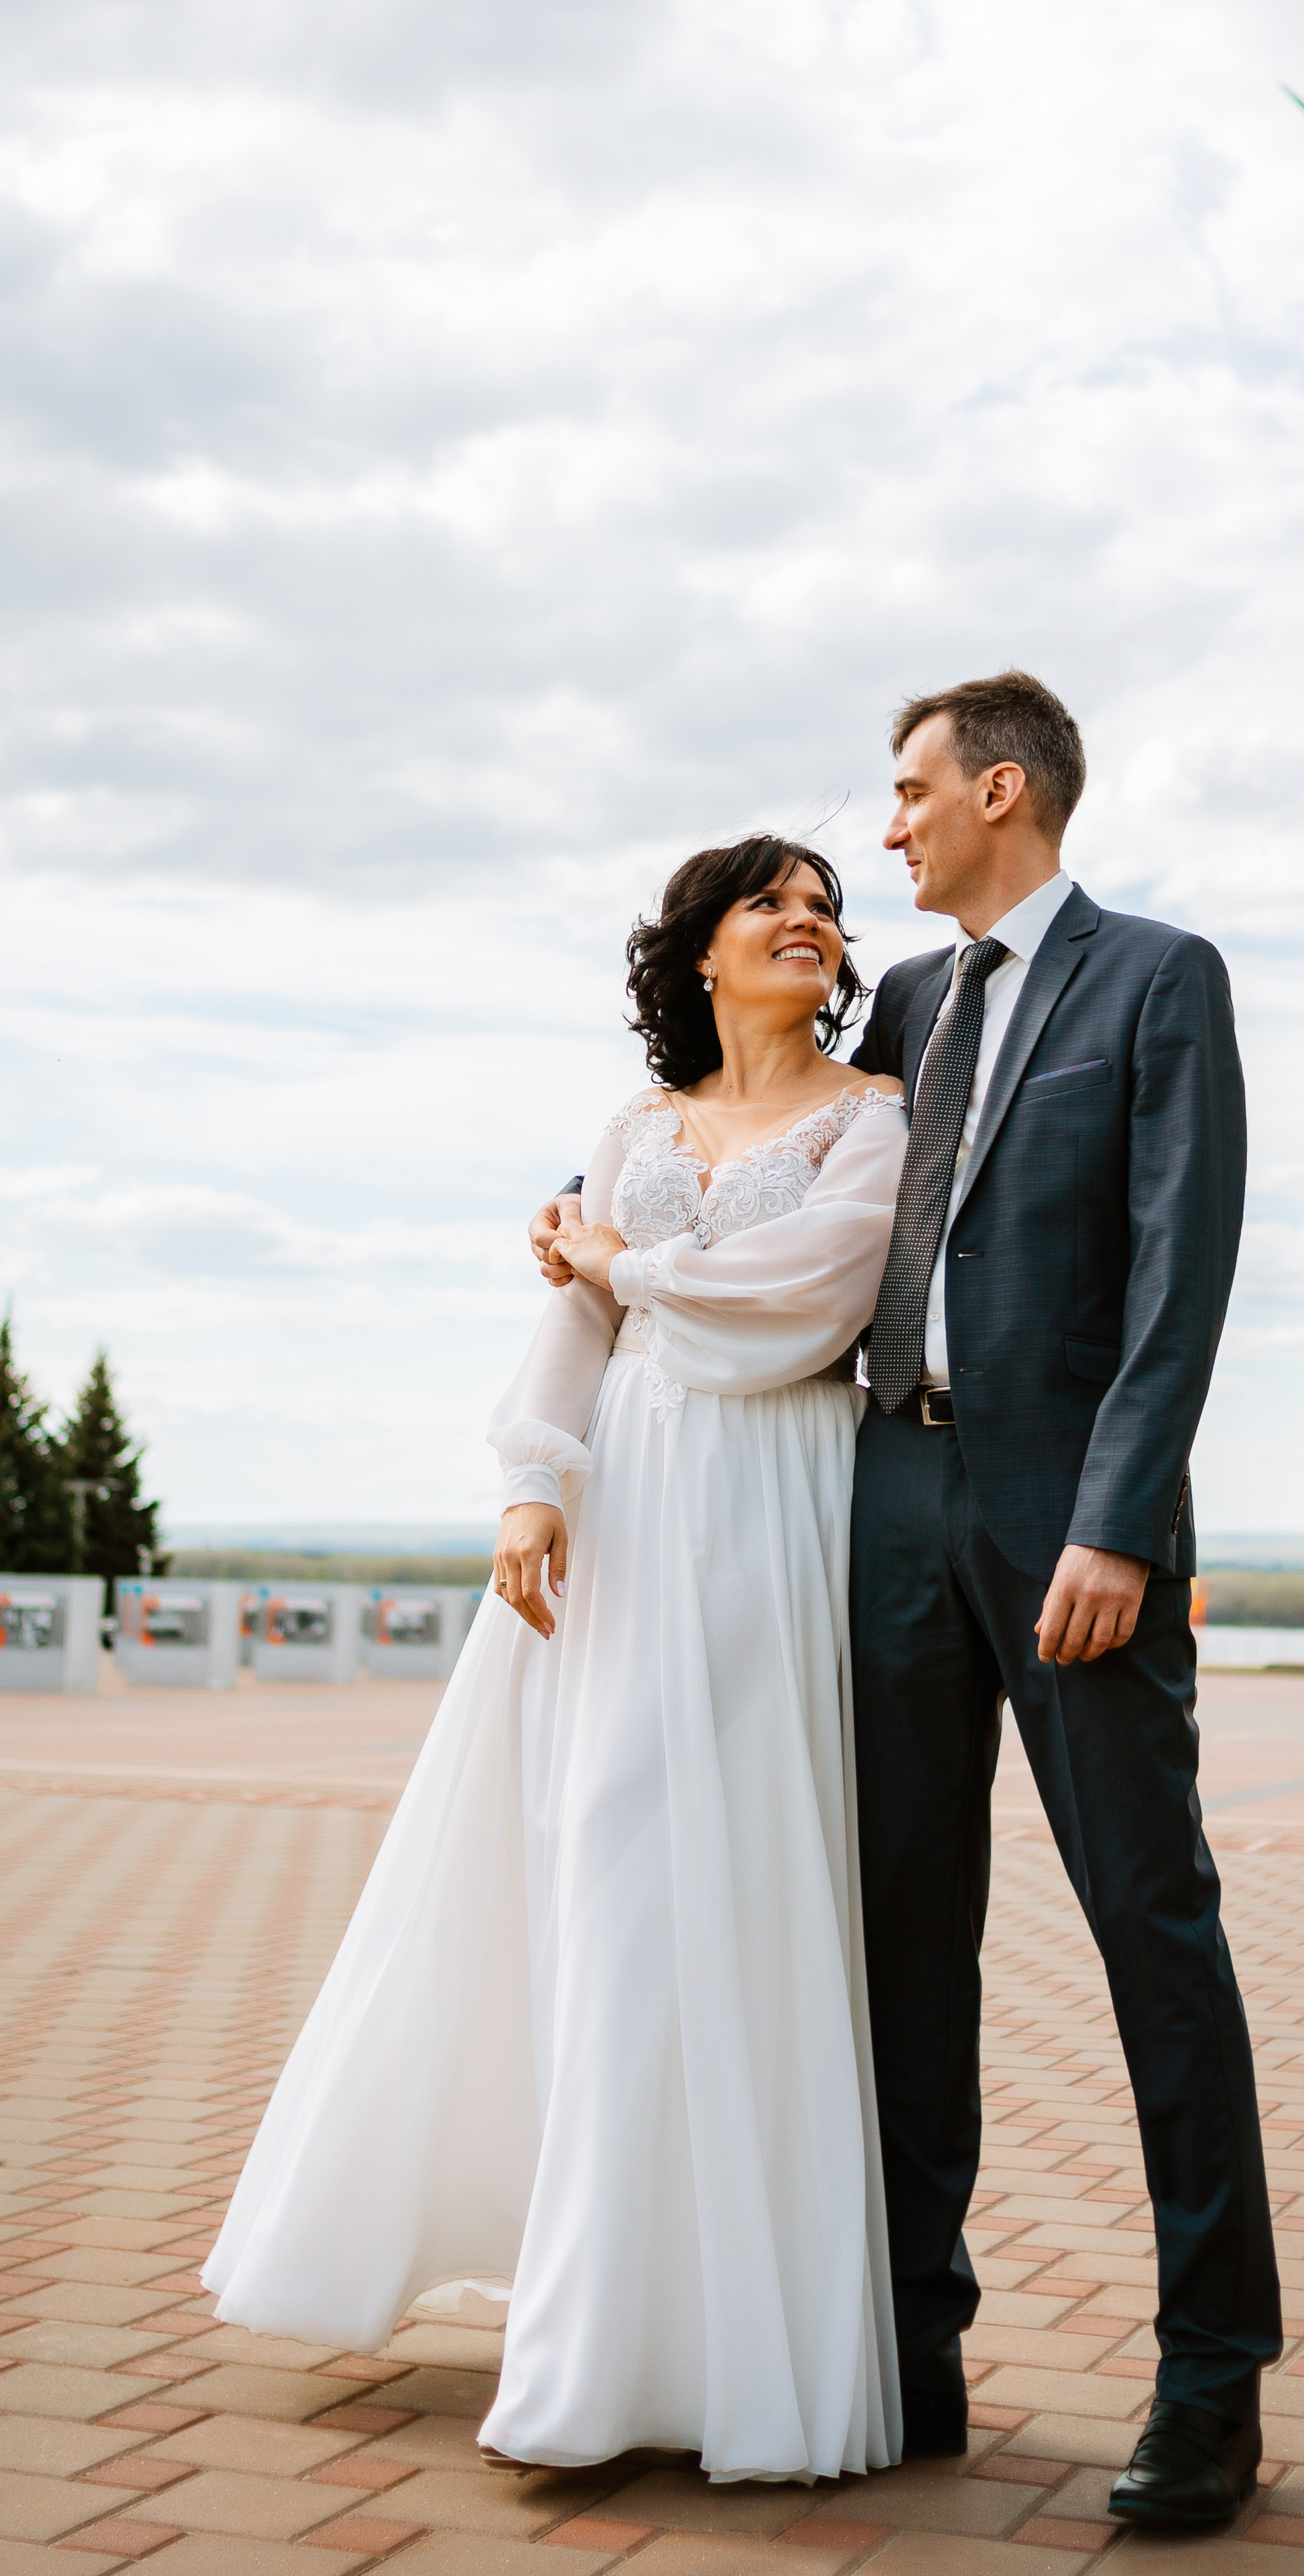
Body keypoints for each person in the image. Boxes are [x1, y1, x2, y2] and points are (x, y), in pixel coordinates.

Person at [534, 667, 1281, 2527]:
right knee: (895, 1935)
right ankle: (912, 2342)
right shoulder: (914, 1003)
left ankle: (1211, 2381)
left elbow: (1183, 1270)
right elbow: (731, 1147)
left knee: (1151, 1924)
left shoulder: (1156, 979)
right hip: (885, 1500)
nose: (887, 831)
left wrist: (1117, 1523)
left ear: (1005, 794)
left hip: (1070, 1527)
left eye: (911, 792)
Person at [205, 834, 909, 2485]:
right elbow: (576, 1327)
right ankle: (587, 2325)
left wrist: (623, 1262)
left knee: (728, 1888)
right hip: (624, 1514)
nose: (807, 923)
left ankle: (717, 2349)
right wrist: (533, 1482)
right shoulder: (631, 1131)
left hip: (774, 1502)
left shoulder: (873, 1119)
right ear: (700, 952)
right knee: (592, 1870)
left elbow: (804, 1300)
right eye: (770, 904)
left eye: (825, 906)